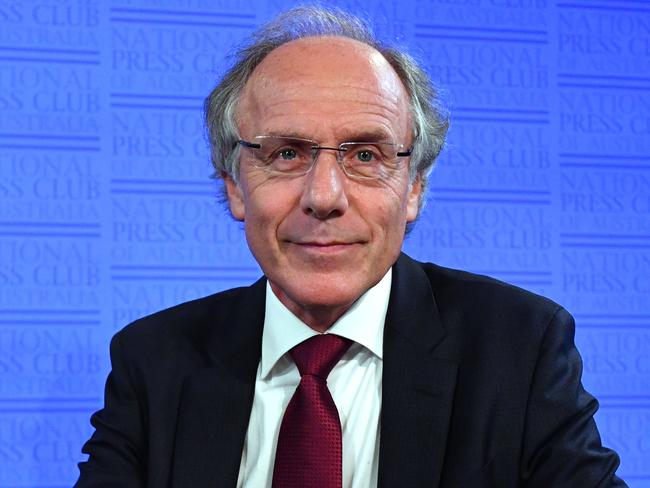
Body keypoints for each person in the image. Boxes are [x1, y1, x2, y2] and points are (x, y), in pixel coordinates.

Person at [75, 6, 627, 488]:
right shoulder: (154, 360)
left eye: (365, 155)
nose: (324, 197)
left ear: (414, 188)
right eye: (286, 153)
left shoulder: (518, 349)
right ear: (233, 184)